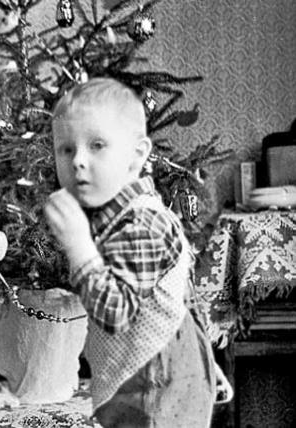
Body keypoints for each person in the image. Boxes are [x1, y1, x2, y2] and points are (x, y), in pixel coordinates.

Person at [44, 78, 218, 427]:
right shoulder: (120, 216)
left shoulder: (142, 222)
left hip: (155, 386)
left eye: (97, 145)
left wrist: (79, 245)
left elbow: (115, 313)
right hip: (143, 379)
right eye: (65, 149)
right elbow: (181, 294)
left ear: (136, 156)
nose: (78, 160)